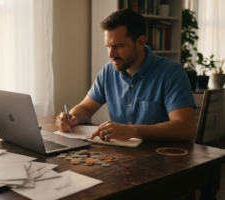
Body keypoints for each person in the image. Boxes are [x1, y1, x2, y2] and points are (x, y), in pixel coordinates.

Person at [56, 9, 196, 142]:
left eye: (118, 46)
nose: (111, 54)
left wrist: (133, 130)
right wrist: (71, 117)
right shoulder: (108, 71)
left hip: (162, 160)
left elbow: (186, 129)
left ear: (140, 42)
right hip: (119, 158)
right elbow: (86, 108)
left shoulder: (171, 72)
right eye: (108, 46)